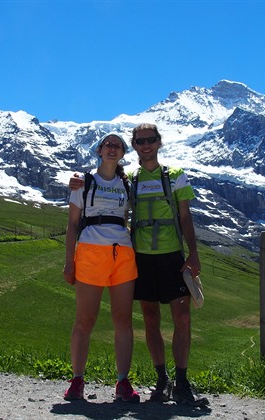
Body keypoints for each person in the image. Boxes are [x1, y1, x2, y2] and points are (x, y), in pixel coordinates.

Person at [69, 123, 208, 406]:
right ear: (133, 146)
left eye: (151, 140)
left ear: (159, 142)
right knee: (148, 319)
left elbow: (185, 216)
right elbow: (80, 213)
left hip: (162, 256)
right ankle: (160, 379)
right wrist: (75, 181)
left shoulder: (170, 176)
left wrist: (193, 253)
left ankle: (177, 381)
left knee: (178, 318)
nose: (146, 145)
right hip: (137, 257)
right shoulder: (123, 179)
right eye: (140, 141)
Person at [63, 133, 140, 403]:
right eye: (107, 144)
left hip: (123, 253)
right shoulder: (83, 182)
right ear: (98, 150)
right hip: (90, 252)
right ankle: (77, 380)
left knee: (123, 320)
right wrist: (68, 261)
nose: (112, 148)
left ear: (122, 154)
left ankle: (122, 382)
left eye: (117, 145)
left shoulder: (128, 185)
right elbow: (72, 224)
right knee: (85, 320)